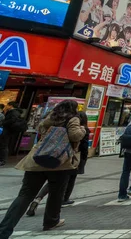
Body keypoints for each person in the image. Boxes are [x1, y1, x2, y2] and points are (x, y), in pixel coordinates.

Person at [0, 100, 85, 237]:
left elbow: (41, 129)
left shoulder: (52, 116)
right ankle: (51, 221)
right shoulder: (72, 118)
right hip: (59, 162)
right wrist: (82, 130)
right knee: (56, 194)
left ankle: (4, 229)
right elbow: (75, 135)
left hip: (38, 159)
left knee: (25, 195)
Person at [26, 112, 89, 216]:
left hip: (54, 157)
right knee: (66, 181)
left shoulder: (58, 127)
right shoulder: (81, 130)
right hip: (72, 158)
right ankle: (63, 201)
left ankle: (38, 198)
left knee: (53, 181)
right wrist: (83, 159)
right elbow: (84, 147)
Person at [0, 101, 26, 167]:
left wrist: (3, 123)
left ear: (11, 105)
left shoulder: (14, 112)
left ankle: (3, 160)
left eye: (7, 105)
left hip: (7, 131)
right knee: (3, 145)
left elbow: (12, 120)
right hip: (8, 130)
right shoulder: (14, 112)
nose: (6, 106)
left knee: (4, 145)